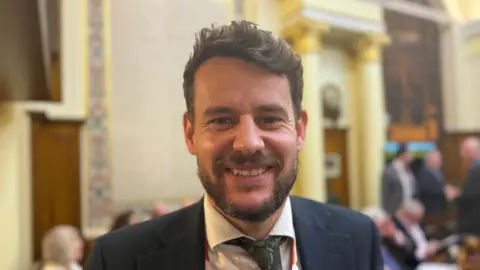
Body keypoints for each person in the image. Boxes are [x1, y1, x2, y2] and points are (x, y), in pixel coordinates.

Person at [86, 21, 383, 270]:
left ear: (300, 130)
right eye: (221, 120)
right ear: (190, 135)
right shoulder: (116, 260)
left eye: (269, 118)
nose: (248, 143)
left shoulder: (357, 238)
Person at [382, 144, 416, 215]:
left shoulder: (408, 169)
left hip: (409, 209)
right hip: (395, 210)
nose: (412, 156)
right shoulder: (389, 171)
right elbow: (386, 193)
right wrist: (387, 212)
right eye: (410, 153)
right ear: (402, 155)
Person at [456, 137, 480, 235]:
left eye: (465, 150)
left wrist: (459, 194)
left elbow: (473, 192)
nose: (462, 153)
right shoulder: (473, 166)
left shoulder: (477, 168)